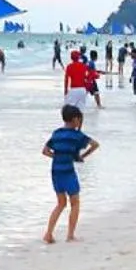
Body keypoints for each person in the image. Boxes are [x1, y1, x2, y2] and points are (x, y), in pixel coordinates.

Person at [42, 104, 99, 243]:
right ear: (75, 119)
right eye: (79, 120)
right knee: (75, 203)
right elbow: (95, 144)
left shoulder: (56, 133)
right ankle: (70, 235)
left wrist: (58, 156)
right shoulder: (76, 135)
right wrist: (82, 157)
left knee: (60, 203)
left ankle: (48, 233)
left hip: (55, 170)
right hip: (68, 171)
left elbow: (45, 151)